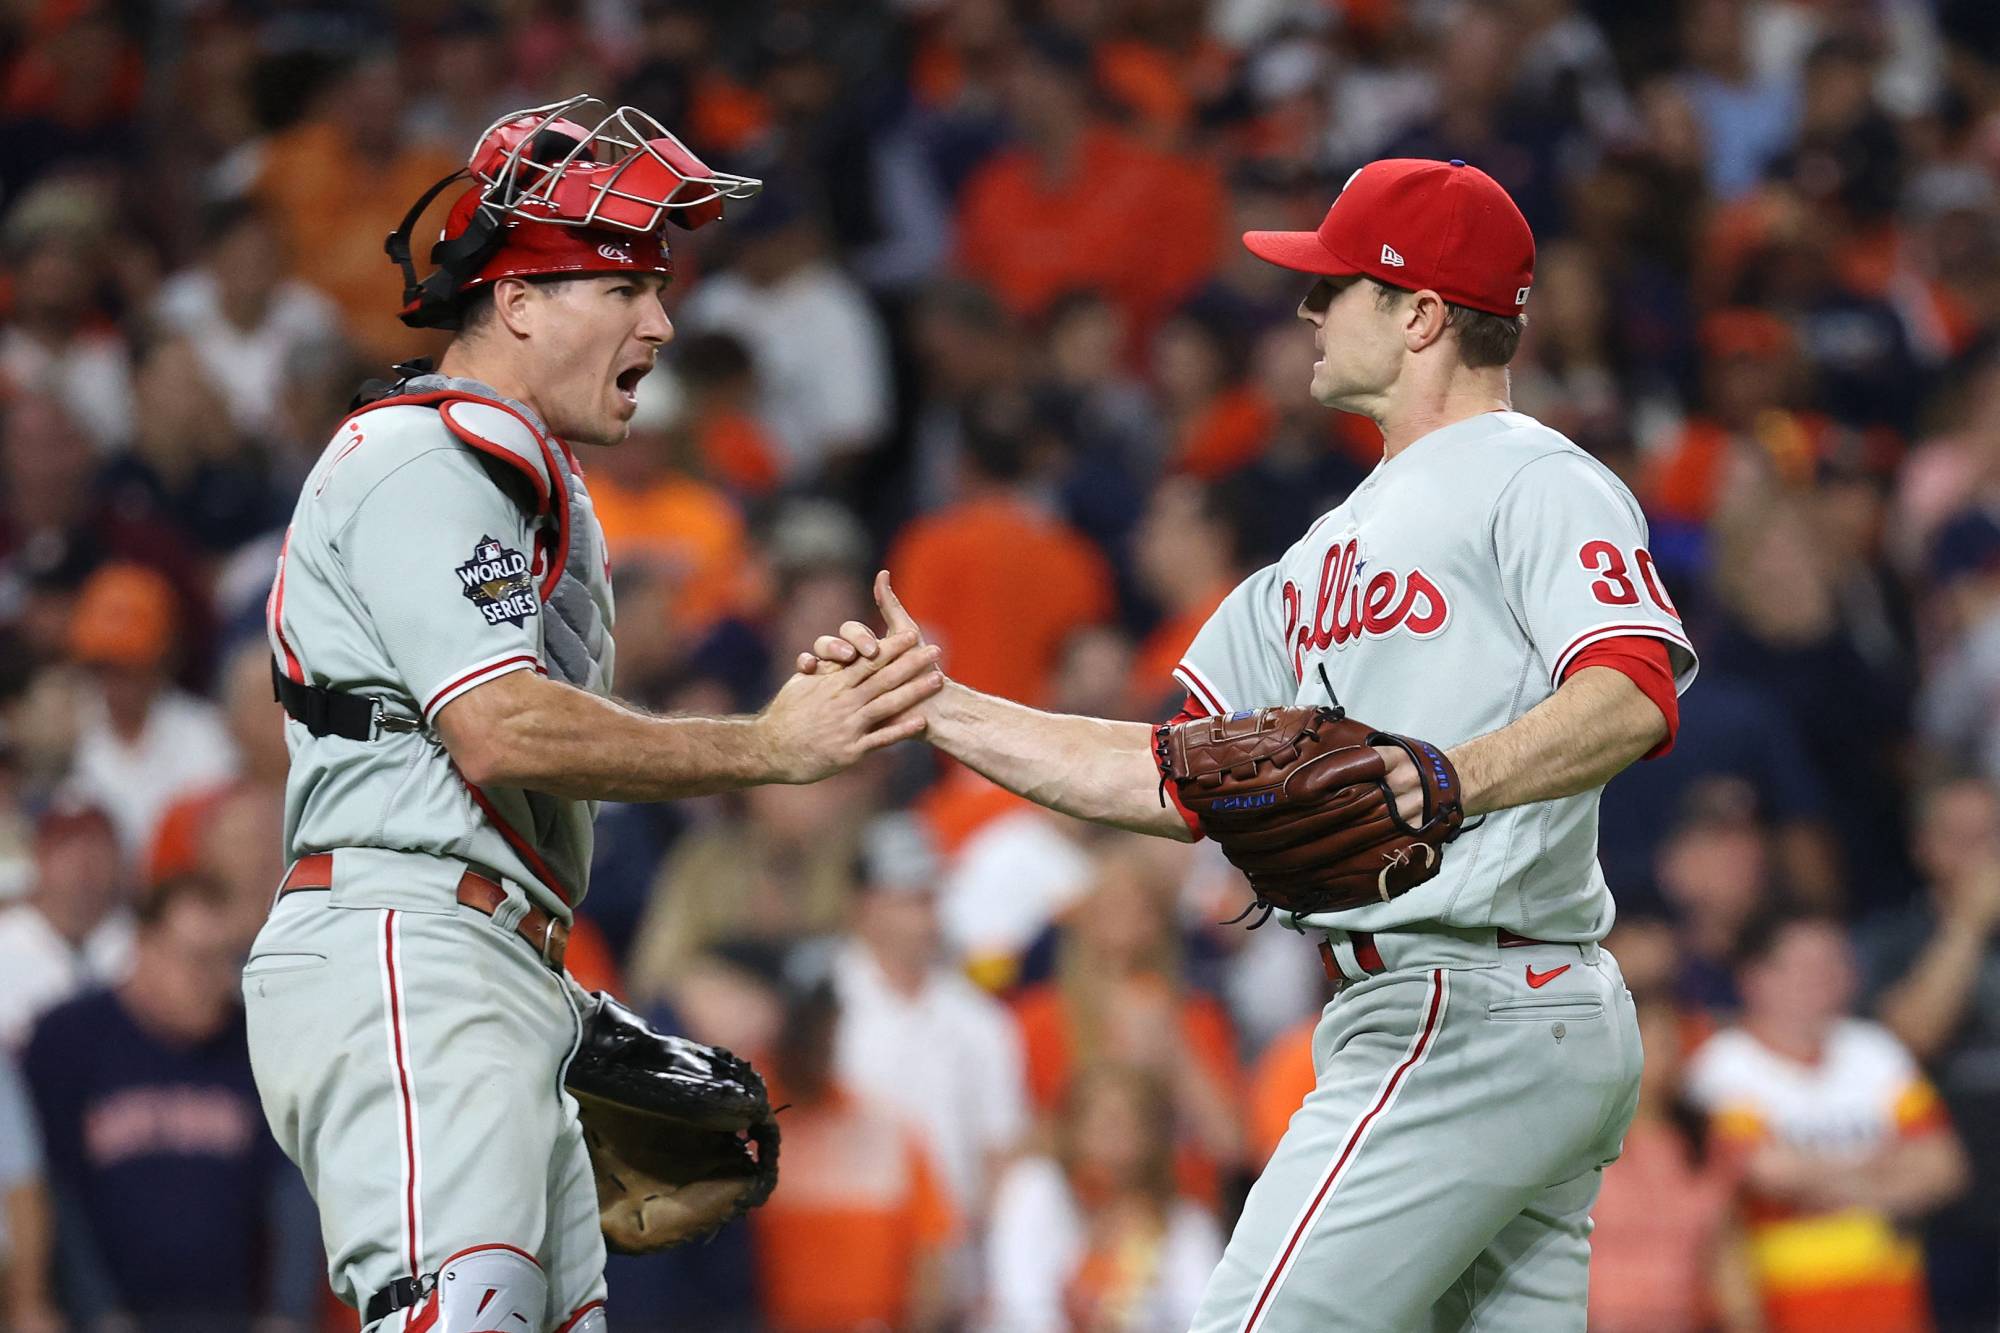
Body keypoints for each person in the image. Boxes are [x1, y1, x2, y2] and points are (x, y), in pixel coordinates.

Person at [807, 158, 1694, 1329]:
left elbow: (1631, 691)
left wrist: (1449, 776)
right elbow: (1162, 773)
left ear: (1420, 313)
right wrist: (939, 705)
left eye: (1337, 285)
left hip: (1464, 1004)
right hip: (1472, 1009)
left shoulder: (1533, 477)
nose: (1306, 308)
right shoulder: (1315, 554)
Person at [243, 97, 943, 1333]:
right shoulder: (422, 459)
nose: (663, 321)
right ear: (518, 302)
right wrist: (768, 747)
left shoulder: (524, 480)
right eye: (625, 287)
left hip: (494, 950)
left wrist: (548, 999)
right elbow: (501, 729)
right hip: (408, 938)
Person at [22, 873, 319, 1333]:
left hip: (233, 1318)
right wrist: (97, 1311)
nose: (217, 980)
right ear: (144, 947)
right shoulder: (68, 1039)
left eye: (229, 959)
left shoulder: (253, 1043)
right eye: (198, 959)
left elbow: (291, 1190)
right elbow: (54, 1191)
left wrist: (287, 1313)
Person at [1687, 910, 1969, 1332]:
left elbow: (1944, 1168)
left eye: (1835, 961)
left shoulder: (1876, 1050)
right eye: (1805, 964)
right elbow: (1765, 1172)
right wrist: (1882, 1166)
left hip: (1892, 1305)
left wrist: (1820, 1178)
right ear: (1754, 977)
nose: (1825, 976)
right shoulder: (1724, 1062)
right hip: (1782, 1307)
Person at [982, 1065, 1225, 1332]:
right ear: (1071, 1129)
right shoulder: (1034, 1189)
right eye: (1104, 1124)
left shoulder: (1186, 1223)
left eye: (1131, 1125)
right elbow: (1021, 1308)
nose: (1116, 1142)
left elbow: (1204, 1319)